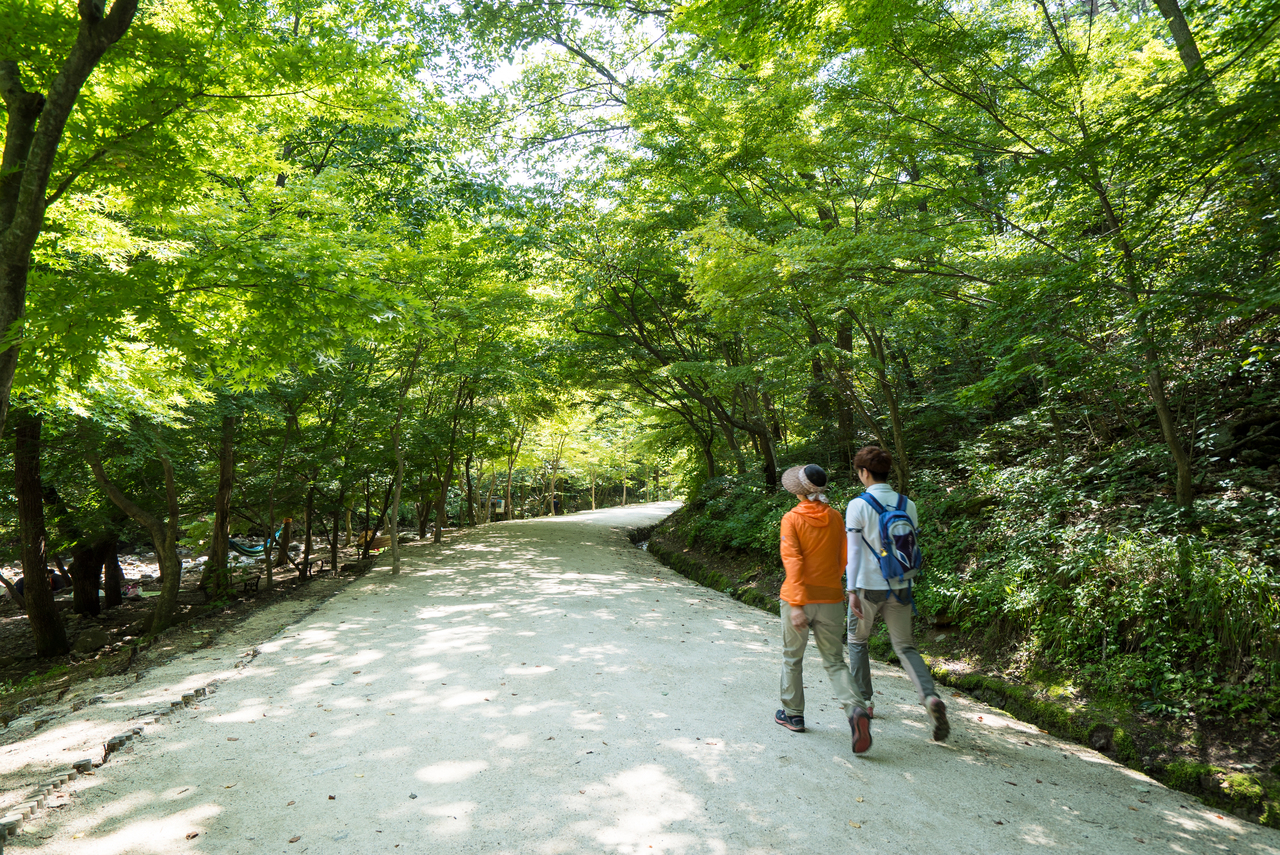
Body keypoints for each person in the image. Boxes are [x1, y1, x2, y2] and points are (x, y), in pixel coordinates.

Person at [844, 445, 949, 753]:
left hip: (868, 588)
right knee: (905, 647)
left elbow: (853, 553)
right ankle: (929, 697)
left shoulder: (858, 505)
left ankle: (864, 703)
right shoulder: (908, 504)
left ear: (864, 473)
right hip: (902, 586)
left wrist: (851, 590)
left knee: (857, 641)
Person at [775, 464, 864, 756]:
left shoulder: (791, 519)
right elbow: (843, 557)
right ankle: (855, 710)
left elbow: (793, 561)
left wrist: (799, 603)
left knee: (792, 658)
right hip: (831, 599)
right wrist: (833, 586)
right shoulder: (836, 517)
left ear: (798, 492)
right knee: (835, 662)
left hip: (797, 599)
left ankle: (794, 715)